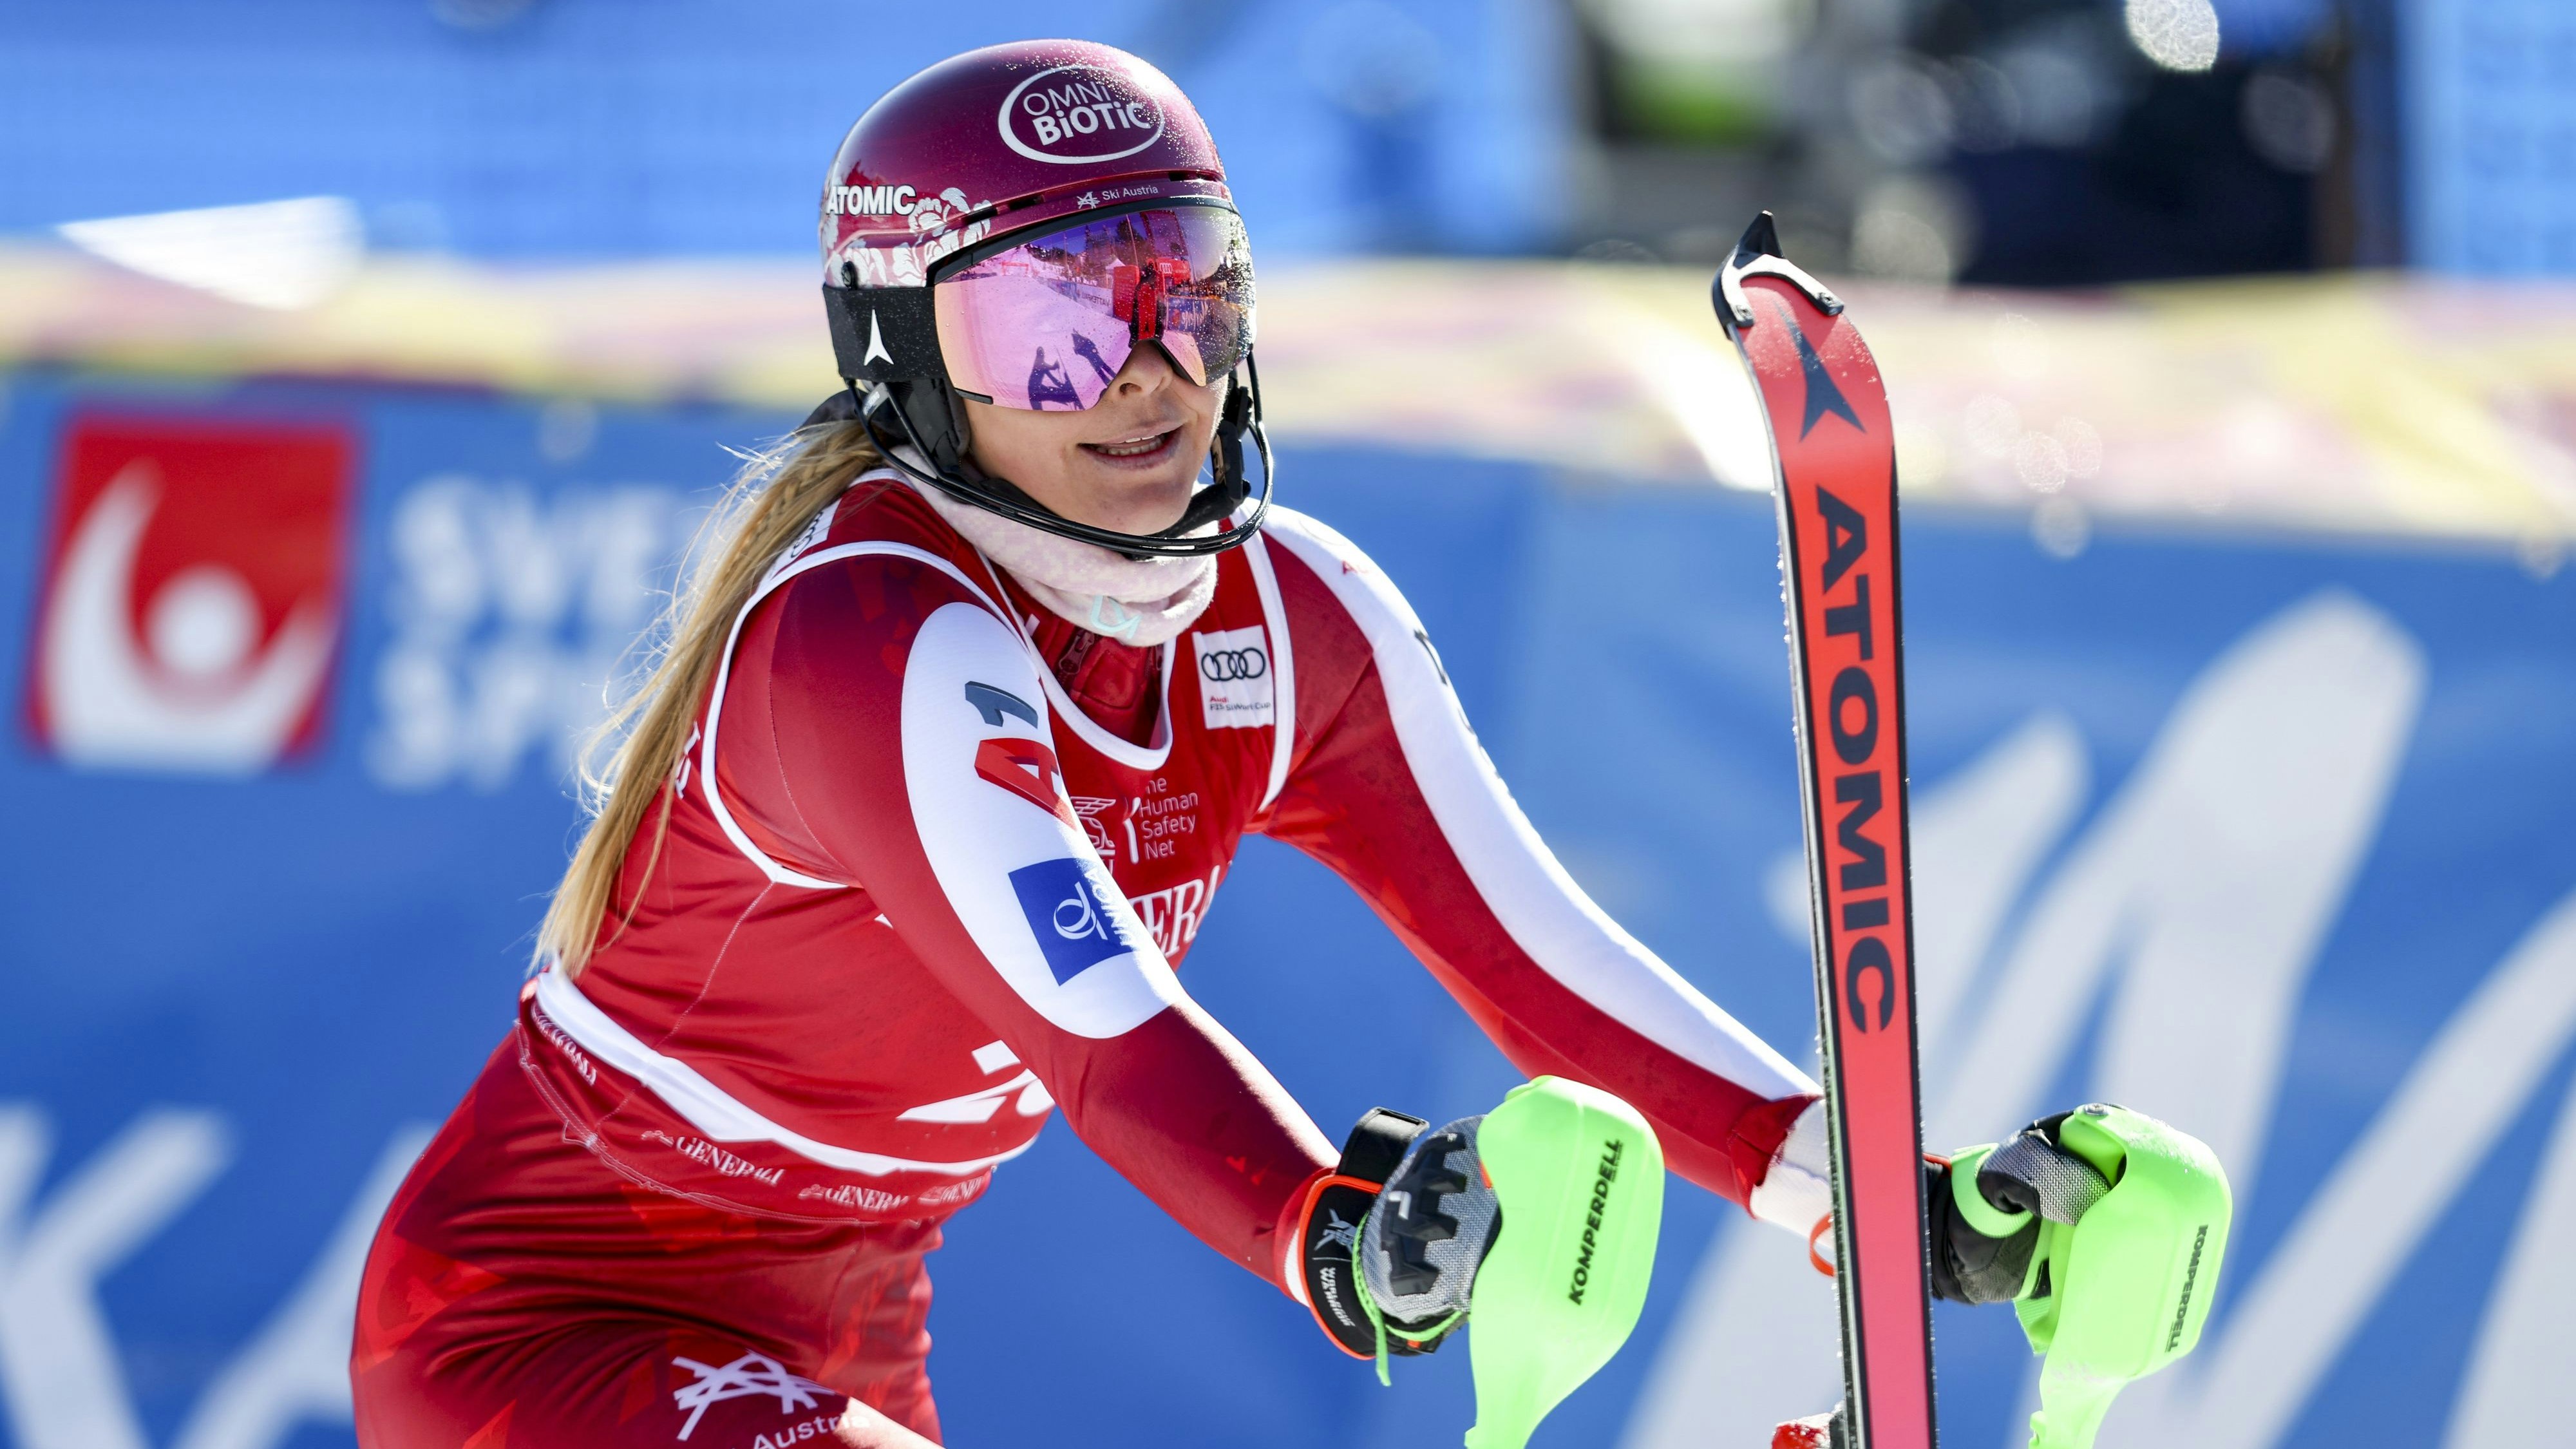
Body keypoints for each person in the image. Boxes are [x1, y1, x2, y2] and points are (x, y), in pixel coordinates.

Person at [350, 40, 2146, 1449]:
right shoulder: (867, 634)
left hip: (850, 1318)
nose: (1142, 375)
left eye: (1179, 292)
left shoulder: (1292, 622)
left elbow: (1542, 965)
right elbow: (1106, 1033)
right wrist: (1323, 1228)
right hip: (542, 1331)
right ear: (908, 359)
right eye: (1051, 328)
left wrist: (1874, 1203)